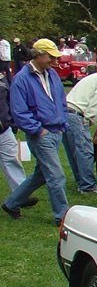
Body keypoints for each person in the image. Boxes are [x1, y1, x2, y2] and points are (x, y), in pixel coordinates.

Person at [2, 38, 69, 224]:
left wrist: (63, 123)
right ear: (39, 55)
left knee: (41, 175)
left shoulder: (52, 75)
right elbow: (19, 111)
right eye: (51, 57)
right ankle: (62, 216)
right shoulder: (21, 79)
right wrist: (38, 130)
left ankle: (11, 203)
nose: (54, 61)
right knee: (56, 175)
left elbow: (61, 101)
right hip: (41, 135)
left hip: (56, 131)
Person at [62, 65, 97, 193]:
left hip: (65, 112)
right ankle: (88, 186)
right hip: (78, 115)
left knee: (74, 152)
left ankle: (81, 182)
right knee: (85, 151)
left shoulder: (94, 77)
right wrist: (89, 118)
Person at [0, 67, 37, 207]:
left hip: (4, 129)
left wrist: (11, 122)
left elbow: (9, 100)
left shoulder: (3, 77)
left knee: (11, 160)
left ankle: (21, 195)